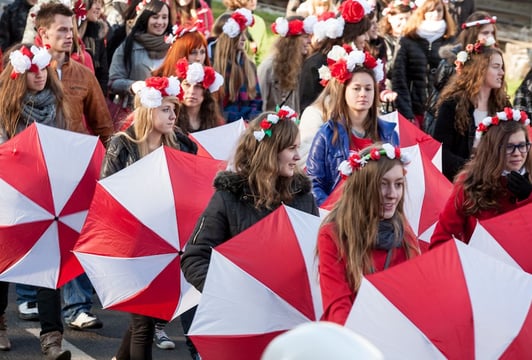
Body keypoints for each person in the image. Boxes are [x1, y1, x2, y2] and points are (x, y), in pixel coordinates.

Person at [100, 76, 197, 360]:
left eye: (173, 108)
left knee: (147, 314)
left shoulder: (181, 142)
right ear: (149, 109)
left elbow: (193, 185)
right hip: (134, 240)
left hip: (168, 239)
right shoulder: (122, 144)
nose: (173, 115)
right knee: (143, 323)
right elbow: (108, 194)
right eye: (165, 109)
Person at [35, 1, 114, 332]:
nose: (70, 35)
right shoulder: (25, 69)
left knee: (74, 236)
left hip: (76, 169)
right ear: (43, 33)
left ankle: (77, 306)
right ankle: (28, 296)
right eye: (62, 30)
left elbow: (103, 125)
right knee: (35, 238)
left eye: (71, 29)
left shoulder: (84, 74)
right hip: (34, 171)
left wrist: (111, 166)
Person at [181, 106, 319, 292]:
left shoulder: (303, 198)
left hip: (290, 308)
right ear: (269, 152)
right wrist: (229, 294)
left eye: (298, 147)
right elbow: (195, 257)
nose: (297, 156)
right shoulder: (228, 197)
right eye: (291, 148)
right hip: (243, 311)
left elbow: (315, 256)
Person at [0, 44, 72, 359]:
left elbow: (65, 145)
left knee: (48, 267)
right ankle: (0, 322)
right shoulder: (3, 107)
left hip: (46, 194)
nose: (39, 75)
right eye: (32, 70)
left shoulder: (57, 106)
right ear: (18, 74)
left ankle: (52, 337)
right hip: (10, 195)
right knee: (3, 264)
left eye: (42, 69)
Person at [317, 143, 420, 325]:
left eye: (398, 185)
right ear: (362, 187)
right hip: (353, 339)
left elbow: (415, 296)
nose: (392, 194)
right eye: (382, 184)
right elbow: (337, 305)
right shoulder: (333, 234)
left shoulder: (403, 232)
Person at [306, 45, 399, 206]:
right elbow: (314, 183)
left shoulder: (389, 133)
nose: (363, 93)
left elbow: (397, 178)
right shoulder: (326, 134)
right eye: (356, 88)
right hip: (339, 216)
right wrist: (332, 210)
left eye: (368, 89)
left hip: (379, 213)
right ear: (344, 91)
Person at [430, 108, 531, 248]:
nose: (517, 153)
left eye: (522, 145)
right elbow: (442, 237)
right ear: (493, 149)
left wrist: (528, 198)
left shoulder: (529, 179)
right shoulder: (471, 181)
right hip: (482, 264)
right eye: (508, 147)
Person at [432, 43, 508, 181]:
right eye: (496, 67)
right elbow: (441, 152)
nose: (502, 73)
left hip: (493, 181)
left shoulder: (503, 106)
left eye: (501, 67)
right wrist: (474, 169)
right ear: (479, 70)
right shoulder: (452, 104)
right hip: (459, 181)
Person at [424, 11, 497, 135]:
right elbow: (440, 99)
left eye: (492, 33)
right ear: (473, 34)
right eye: (485, 33)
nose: (490, 37)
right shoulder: (452, 61)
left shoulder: (492, 60)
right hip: (451, 122)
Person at [299, 0, 373, 111]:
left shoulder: (357, 64)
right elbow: (307, 108)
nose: (367, 38)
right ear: (350, 34)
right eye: (362, 33)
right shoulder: (316, 64)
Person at [391, 0, 456, 128]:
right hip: (414, 109)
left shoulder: (451, 41)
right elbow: (398, 78)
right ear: (423, 13)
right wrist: (406, 112)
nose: (435, 14)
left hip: (440, 110)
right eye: (431, 10)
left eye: (439, 10)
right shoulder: (408, 40)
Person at [108, 0, 172, 108]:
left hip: (167, 112)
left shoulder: (173, 45)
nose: (160, 22)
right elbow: (112, 82)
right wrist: (132, 86)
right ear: (145, 18)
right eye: (155, 17)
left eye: (164, 17)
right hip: (135, 112)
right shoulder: (128, 46)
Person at [212, 8, 262, 122]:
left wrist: (252, 117)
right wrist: (238, 118)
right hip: (224, 125)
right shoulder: (215, 67)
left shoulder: (249, 66)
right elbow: (216, 107)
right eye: (240, 34)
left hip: (247, 125)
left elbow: (257, 99)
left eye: (245, 34)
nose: (244, 39)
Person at [257, 15, 315, 113]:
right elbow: (260, 103)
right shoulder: (269, 67)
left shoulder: (298, 65)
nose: (309, 41)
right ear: (292, 41)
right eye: (305, 37)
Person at [175, 57, 225, 133]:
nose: (191, 91)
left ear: (206, 92)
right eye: (187, 85)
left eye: (198, 86)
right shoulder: (171, 120)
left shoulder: (215, 123)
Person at [378, 0, 414, 91]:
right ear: (390, 18)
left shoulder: (416, 40)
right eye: (401, 19)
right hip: (391, 90)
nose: (404, 23)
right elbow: (385, 71)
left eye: (408, 19)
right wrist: (399, 48)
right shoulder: (381, 41)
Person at [223, 0, 270, 66]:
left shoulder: (259, 22)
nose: (253, 1)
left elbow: (262, 54)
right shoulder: (228, 20)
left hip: (251, 70)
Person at [78, 0, 110, 93]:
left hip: (90, 92)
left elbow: (103, 72)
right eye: (95, 2)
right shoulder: (68, 31)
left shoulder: (98, 33)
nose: (98, 7)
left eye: (100, 3)